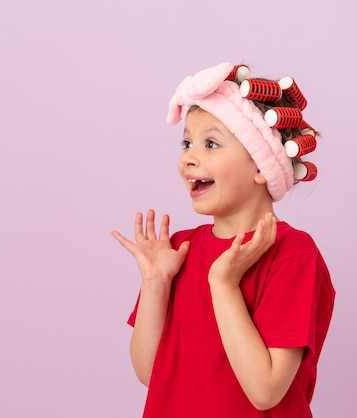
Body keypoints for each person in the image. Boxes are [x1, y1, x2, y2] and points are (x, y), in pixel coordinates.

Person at [111, 61, 336, 417]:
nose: (188, 157)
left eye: (211, 143)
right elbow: (149, 373)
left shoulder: (293, 254)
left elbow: (265, 392)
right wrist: (155, 283)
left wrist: (224, 283)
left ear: (262, 166)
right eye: (187, 142)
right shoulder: (178, 251)